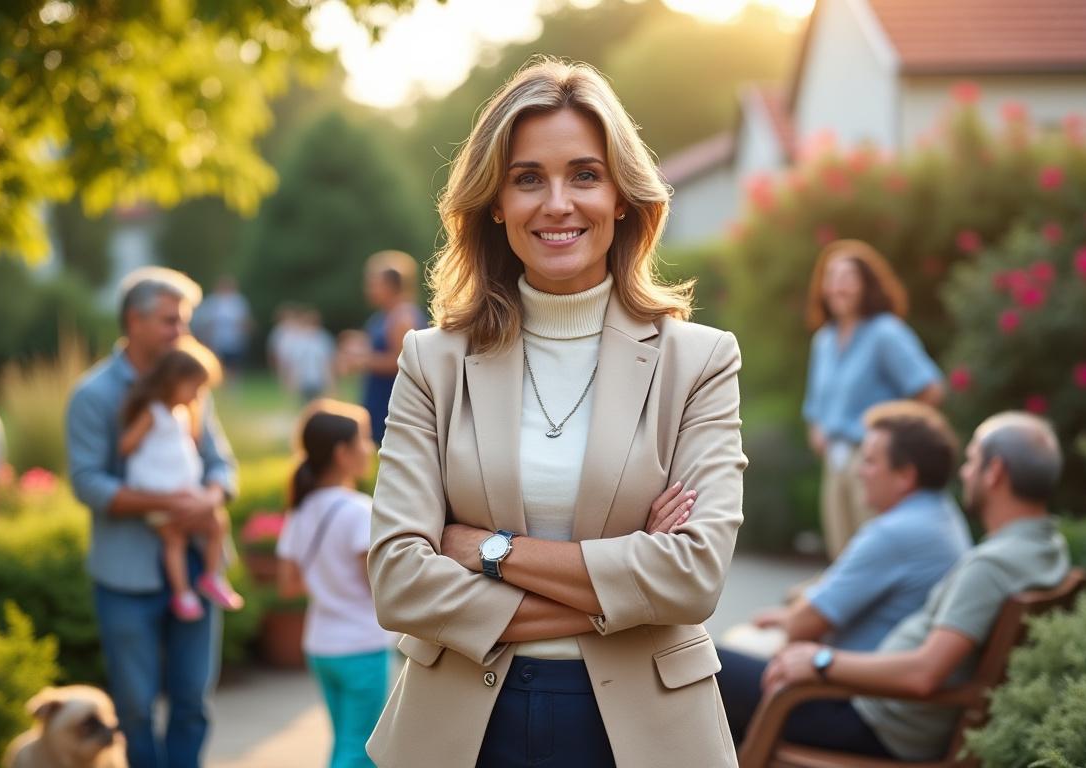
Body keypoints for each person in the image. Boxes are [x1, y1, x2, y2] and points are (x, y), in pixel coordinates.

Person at [366, 58, 747, 768]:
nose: (558, 203)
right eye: (528, 178)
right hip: (460, 730)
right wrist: (625, 592)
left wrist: (488, 551)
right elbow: (396, 580)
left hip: (649, 733)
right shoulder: (432, 361)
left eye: (585, 174)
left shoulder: (699, 360)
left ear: (624, 197)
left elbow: (693, 578)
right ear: (495, 203)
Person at [727, 411, 1070, 761]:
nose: (965, 473)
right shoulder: (1046, 548)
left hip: (876, 724)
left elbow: (924, 674)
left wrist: (822, 660)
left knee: (706, 667)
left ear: (994, 472)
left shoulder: (991, 566)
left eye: (972, 461)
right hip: (885, 711)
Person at [66, 266, 238, 768]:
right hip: (126, 576)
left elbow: (222, 465)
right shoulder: (93, 395)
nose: (180, 332)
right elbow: (88, 484)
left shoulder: (190, 385)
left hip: (197, 571)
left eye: (182, 322)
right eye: (170, 321)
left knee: (192, 704)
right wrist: (167, 503)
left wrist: (209, 495)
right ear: (133, 321)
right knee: (136, 710)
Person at [803, 239, 945, 559]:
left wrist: (896, 439)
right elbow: (816, 404)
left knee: (873, 552)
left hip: (871, 458)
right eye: (832, 277)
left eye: (847, 277)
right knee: (841, 555)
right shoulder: (823, 340)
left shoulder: (885, 333)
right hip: (834, 462)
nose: (838, 286)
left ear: (866, 285)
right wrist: (817, 430)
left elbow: (930, 389)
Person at [276, 400, 393, 768]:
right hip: (362, 646)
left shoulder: (301, 509)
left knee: (344, 740)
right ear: (342, 453)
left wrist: (328, 583)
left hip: (321, 645)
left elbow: (288, 585)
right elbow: (376, 585)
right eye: (362, 439)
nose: (370, 447)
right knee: (362, 749)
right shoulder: (357, 510)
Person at [119, 344, 244, 622]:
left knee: (217, 523)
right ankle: (183, 592)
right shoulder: (153, 412)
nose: (198, 395)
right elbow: (126, 445)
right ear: (172, 383)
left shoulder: (184, 413)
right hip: (159, 488)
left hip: (183, 487)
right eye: (194, 388)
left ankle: (211, 576)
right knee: (173, 538)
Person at [338, 251, 428, 441]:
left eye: (374, 283)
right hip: (378, 394)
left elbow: (401, 362)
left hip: (392, 399)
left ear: (391, 285)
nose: (369, 289)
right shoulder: (384, 314)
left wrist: (361, 361)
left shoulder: (402, 316)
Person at [194, 275, 253, 375]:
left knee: (234, 364)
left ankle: (233, 385)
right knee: (219, 364)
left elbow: (245, 320)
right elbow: (204, 321)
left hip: (235, 340)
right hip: (216, 340)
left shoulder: (238, 302)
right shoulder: (212, 302)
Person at [288, 309, 336, 404]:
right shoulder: (300, 340)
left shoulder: (322, 339)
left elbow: (327, 362)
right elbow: (297, 362)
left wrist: (330, 382)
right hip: (305, 380)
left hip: (318, 379)